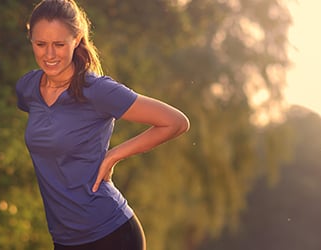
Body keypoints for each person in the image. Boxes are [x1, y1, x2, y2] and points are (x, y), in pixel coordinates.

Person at [15, 0, 190, 249]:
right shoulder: (27, 89)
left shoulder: (97, 90)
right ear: (30, 38)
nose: (49, 54)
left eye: (59, 44)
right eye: (41, 44)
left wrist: (113, 156)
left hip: (111, 234)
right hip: (64, 240)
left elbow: (175, 122)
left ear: (76, 40)